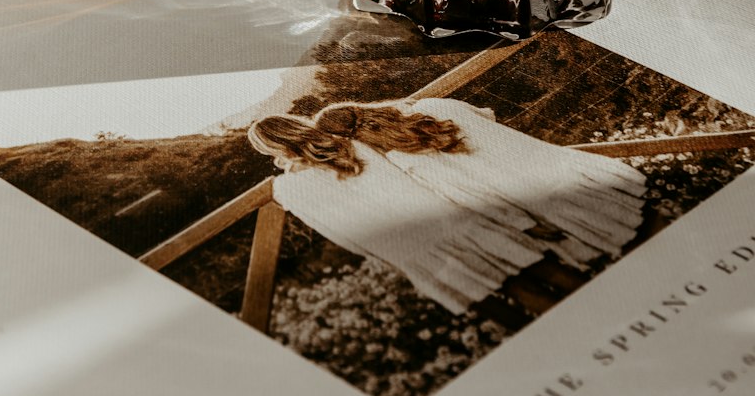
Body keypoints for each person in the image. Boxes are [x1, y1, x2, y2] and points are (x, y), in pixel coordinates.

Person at [247, 97, 645, 314]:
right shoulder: (358, 145)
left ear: (273, 151)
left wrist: (390, 260)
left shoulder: (288, 191)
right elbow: (424, 177)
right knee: (551, 272)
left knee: (520, 297)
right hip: (462, 223)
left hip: (416, 251)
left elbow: (345, 238)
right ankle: (621, 315)